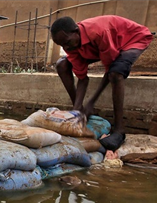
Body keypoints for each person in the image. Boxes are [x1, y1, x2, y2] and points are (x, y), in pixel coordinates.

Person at [50, 15, 153, 151]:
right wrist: (76, 109)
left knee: (115, 73)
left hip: (131, 39)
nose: (66, 47)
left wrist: (91, 102)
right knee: (62, 64)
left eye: (67, 42)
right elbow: (82, 78)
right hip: (98, 47)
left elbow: (109, 68)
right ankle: (80, 112)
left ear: (76, 31)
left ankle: (119, 130)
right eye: (62, 45)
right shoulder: (72, 46)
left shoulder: (99, 32)